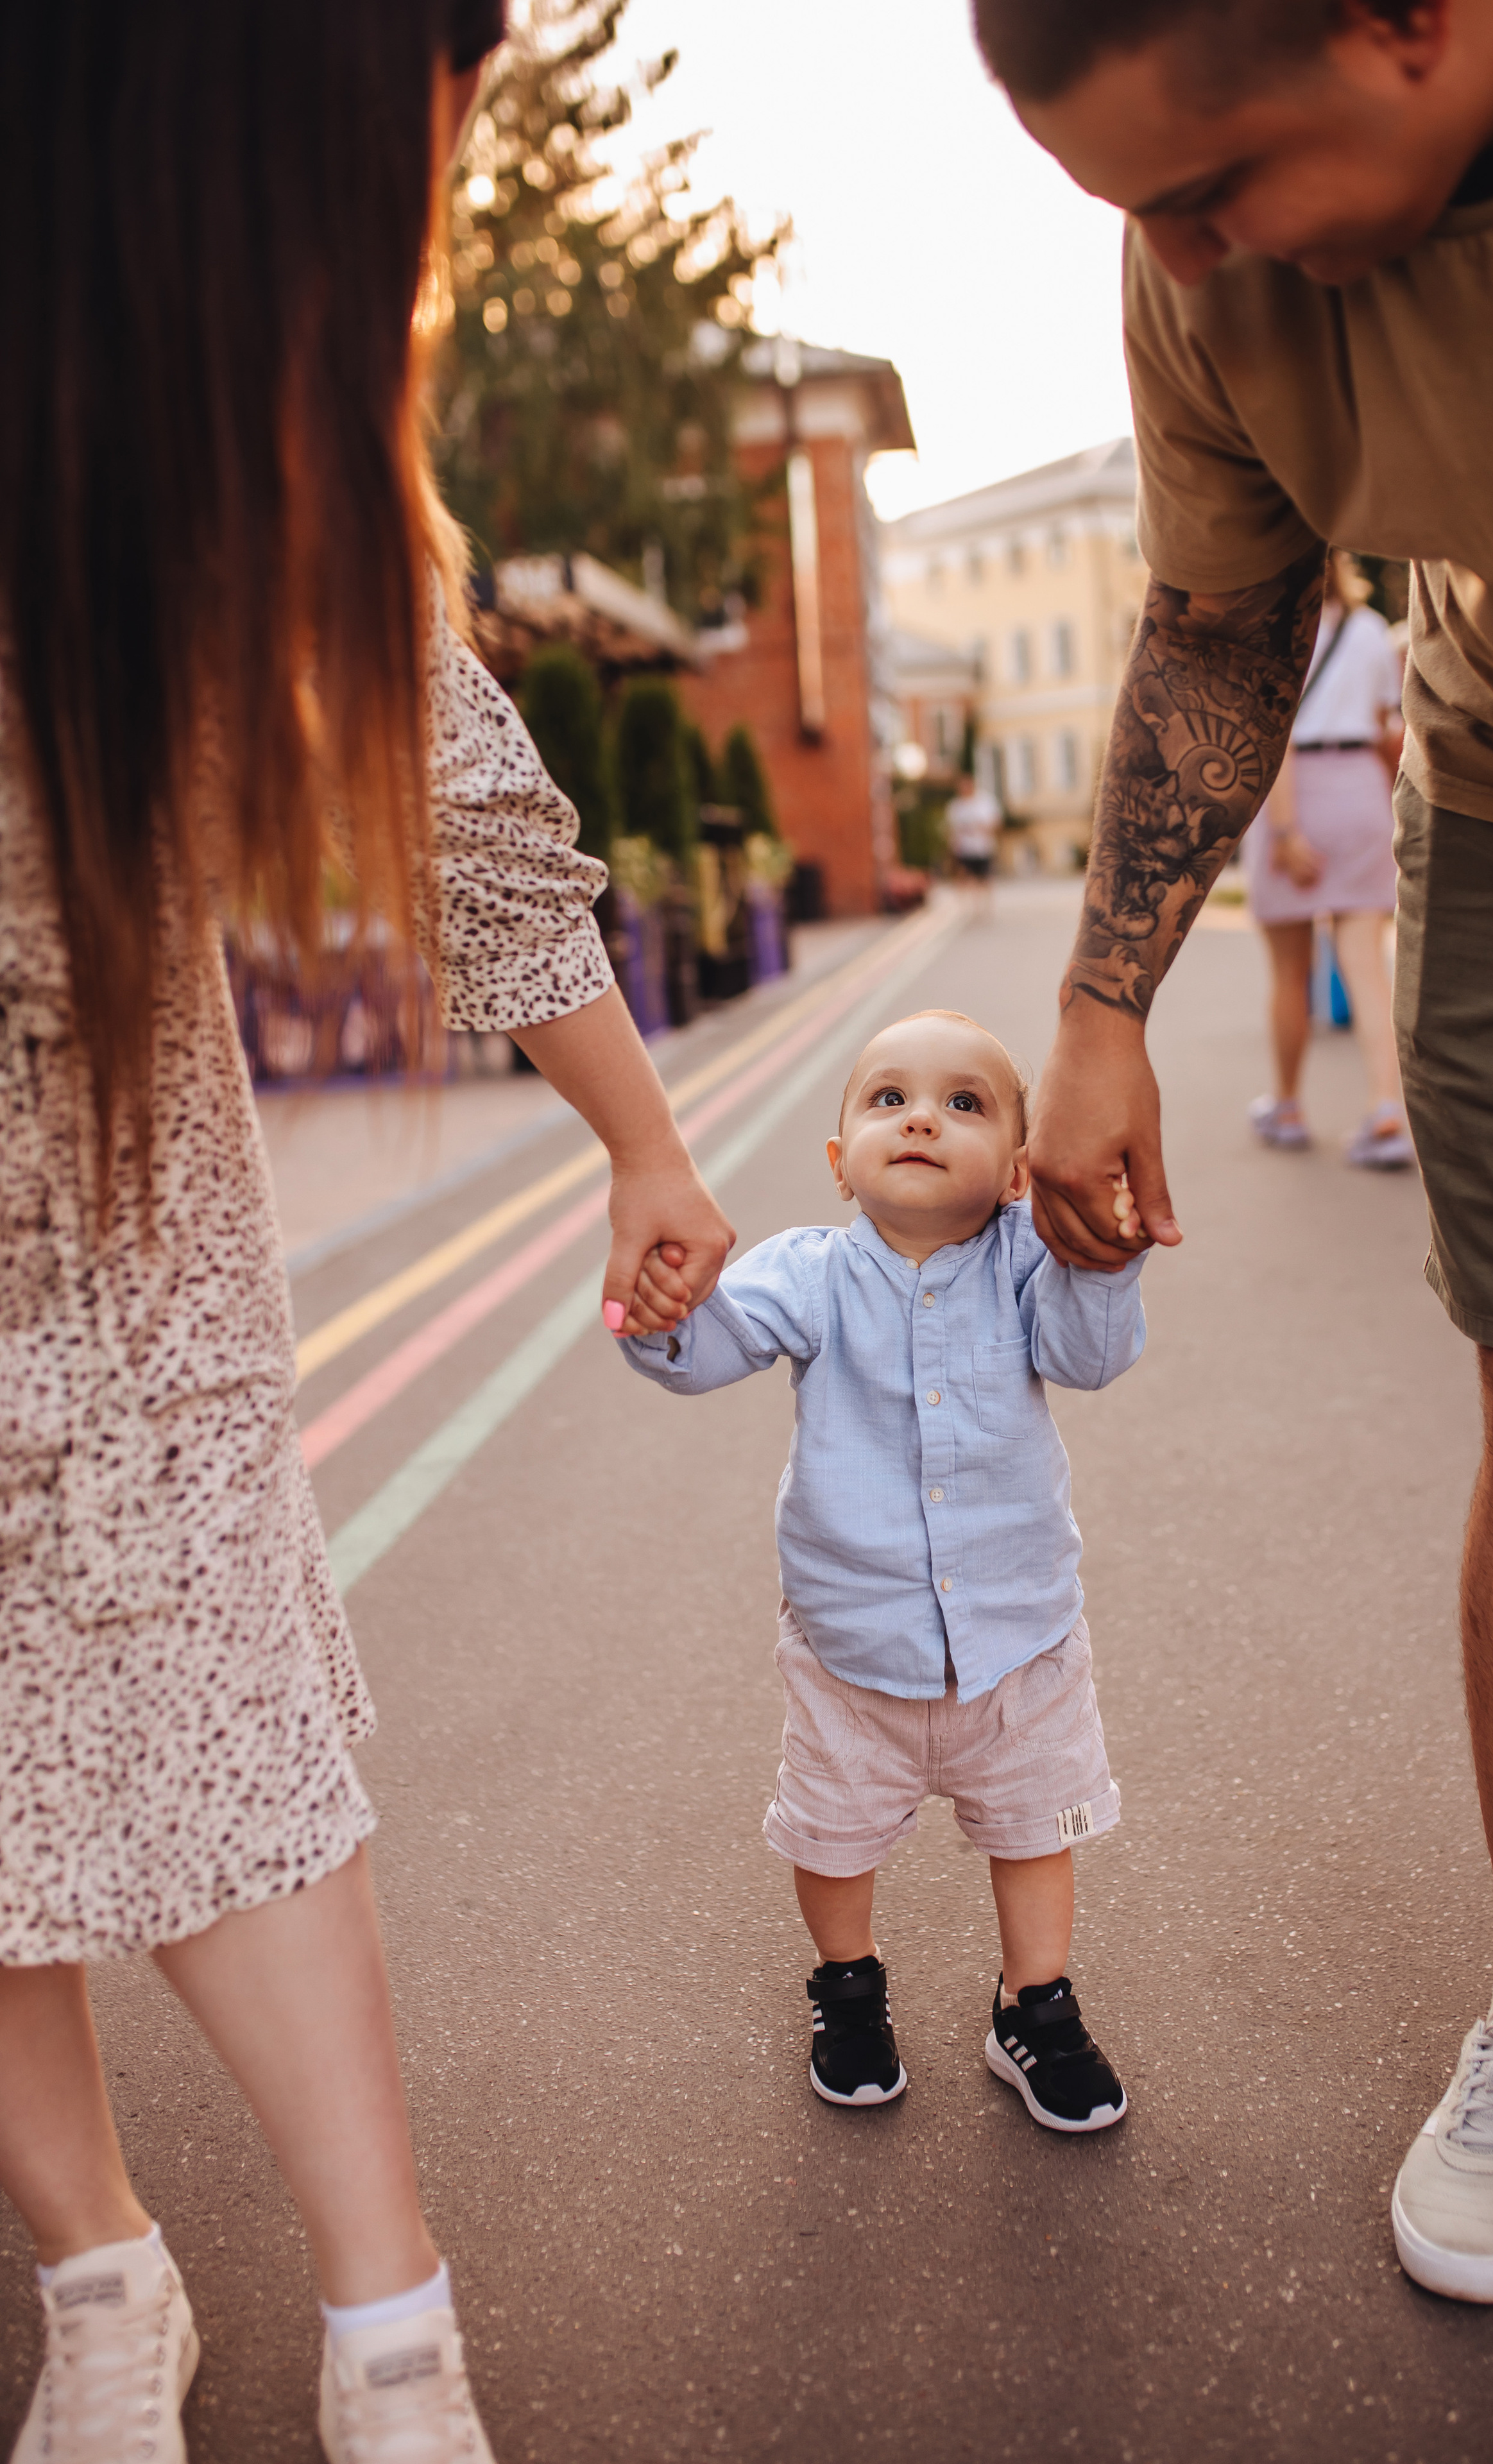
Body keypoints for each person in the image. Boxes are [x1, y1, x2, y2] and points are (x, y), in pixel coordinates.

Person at [0, 6, 732, 2459]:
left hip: (120, 1206)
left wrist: (645, 1141)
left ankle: (385, 2330)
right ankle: (104, 2281)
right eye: (423, 119)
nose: (421, 197)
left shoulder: (252, 431)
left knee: (226, 1738)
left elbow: (482, 827)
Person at [972, 0, 1493, 2304]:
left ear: (1402, 26)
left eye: (1200, 184)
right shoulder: (1195, 275)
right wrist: (1093, 1007)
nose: (1172, 253)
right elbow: (1222, 607)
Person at [615, 1009, 1142, 2132]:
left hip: (1019, 1641)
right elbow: (706, 1351)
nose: (920, 1117)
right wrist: (659, 1310)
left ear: (1015, 1172)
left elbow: (1091, 1358)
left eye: (964, 1103)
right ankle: (848, 1990)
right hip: (854, 1650)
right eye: (887, 1098)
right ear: (839, 1161)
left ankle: (1034, 2005)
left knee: (1034, 1830)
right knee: (832, 1834)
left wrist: (1104, 1252)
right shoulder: (807, 1274)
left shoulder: (1027, 1262)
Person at [1245, 547, 1412, 1167]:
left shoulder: (1273, 630)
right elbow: (1387, 727)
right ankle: (1388, 1110)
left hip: (1294, 791)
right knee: (1367, 966)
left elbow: (1275, 730)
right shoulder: (1370, 629)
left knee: (1291, 973)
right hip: (1362, 793)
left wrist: (1286, 830)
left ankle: (1287, 1106)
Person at [944, 771, 1005, 888]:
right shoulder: (955, 806)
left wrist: (983, 828)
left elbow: (997, 822)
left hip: (983, 847)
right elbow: (952, 829)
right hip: (964, 849)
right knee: (964, 878)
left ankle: (983, 905)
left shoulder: (985, 801)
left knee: (984, 879)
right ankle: (967, 905)